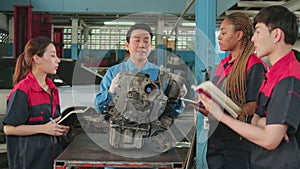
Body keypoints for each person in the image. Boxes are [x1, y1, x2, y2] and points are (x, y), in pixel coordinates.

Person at [198, 5, 300, 169]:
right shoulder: (273, 74)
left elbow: (270, 140)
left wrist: (221, 115)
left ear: (276, 35)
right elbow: (258, 119)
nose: (253, 39)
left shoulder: (289, 77)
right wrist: (263, 123)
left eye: (258, 32)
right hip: (259, 158)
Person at [194, 12, 266, 169]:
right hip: (216, 139)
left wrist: (225, 113)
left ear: (239, 35)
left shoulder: (253, 65)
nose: (219, 37)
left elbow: (253, 106)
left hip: (237, 144)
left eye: (224, 32)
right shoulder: (224, 64)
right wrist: (206, 107)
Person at [2, 36, 70, 169]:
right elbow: (8, 129)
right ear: (36, 58)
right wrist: (44, 128)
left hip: (50, 157)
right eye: (52, 56)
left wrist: (58, 128)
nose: (58, 60)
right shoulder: (22, 90)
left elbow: (50, 122)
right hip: (28, 161)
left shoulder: (52, 89)